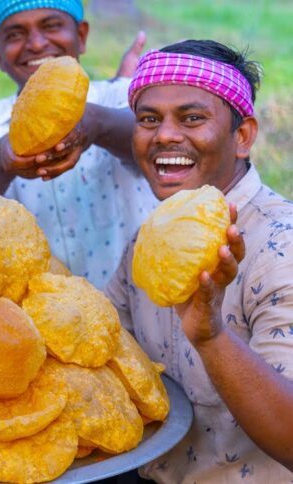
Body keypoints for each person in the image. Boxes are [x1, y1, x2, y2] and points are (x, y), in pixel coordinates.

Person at [105, 40, 293, 482]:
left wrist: (212, 339)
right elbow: (108, 350)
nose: (164, 135)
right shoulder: (149, 239)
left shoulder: (281, 249)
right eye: (148, 119)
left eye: (191, 118)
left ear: (242, 136)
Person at [0, 0, 156, 288]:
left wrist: (95, 122)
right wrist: (3, 157)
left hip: (139, 304)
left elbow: (157, 138)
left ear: (81, 35)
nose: (35, 43)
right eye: (15, 34)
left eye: (52, 26)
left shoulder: (121, 95)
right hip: (41, 318)